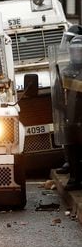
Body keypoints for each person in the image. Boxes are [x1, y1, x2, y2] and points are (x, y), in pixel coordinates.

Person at [55, 25, 82, 176]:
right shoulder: (66, 70)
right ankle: (74, 172)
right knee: (72, 146)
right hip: (71, 117)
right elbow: (58, 93)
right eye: (74, 50)